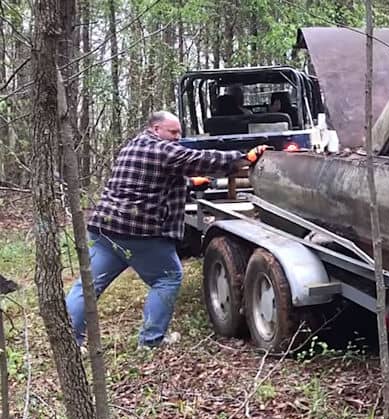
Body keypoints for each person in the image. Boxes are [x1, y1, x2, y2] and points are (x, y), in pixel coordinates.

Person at [65, 111, 268, 351]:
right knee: (167, 278)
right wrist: (243, 158)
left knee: (88, 286)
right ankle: (151, 342)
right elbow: (199, 159)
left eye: (180, 133)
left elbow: (150, 180)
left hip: (105, 228)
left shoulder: (132, 147)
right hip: (138, 231)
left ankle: (68, 344)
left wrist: (191, 183)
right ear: (155, 129)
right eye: (172, 132)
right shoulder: (162, 150)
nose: (177, 138)